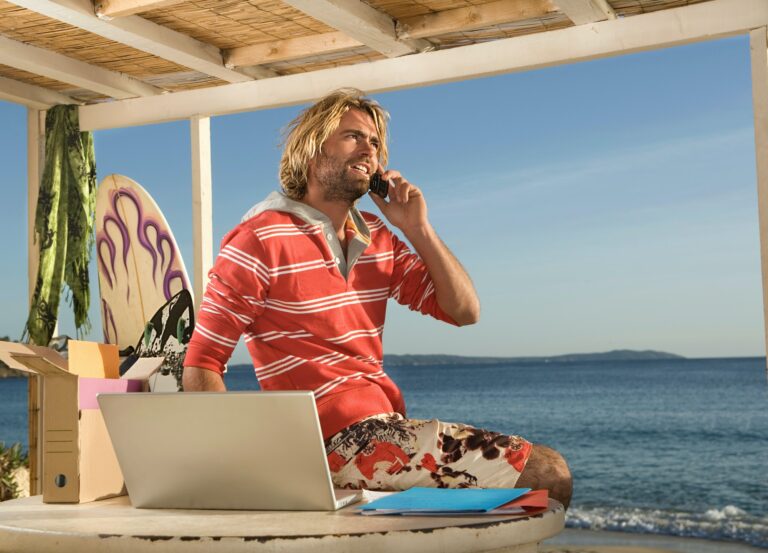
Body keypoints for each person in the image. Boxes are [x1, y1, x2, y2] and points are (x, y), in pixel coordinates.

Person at [182, 88, 572, 508]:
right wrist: (231, 478)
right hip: (330, 441)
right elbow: (202, 363)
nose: (369, 149)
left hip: (384, 429)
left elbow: (465, 311)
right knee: (548, 474)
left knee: (535, 486)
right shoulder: (259, 238)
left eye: (374, 142)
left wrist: (417, 228)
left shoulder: (377, 238)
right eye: (353, 136)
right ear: (311, 150)